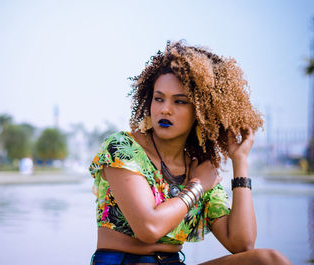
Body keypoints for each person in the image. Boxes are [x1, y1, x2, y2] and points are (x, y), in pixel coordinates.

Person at [89, 41, 292, 265]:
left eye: (180, 101)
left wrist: (240, 161)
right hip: (122, 262)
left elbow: (242, 244)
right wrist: (196, 187)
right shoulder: (123, 147)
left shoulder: (199, 169)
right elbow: (149, 227)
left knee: (270, 261)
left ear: (202, 111)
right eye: (159, 98)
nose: (165, 109)